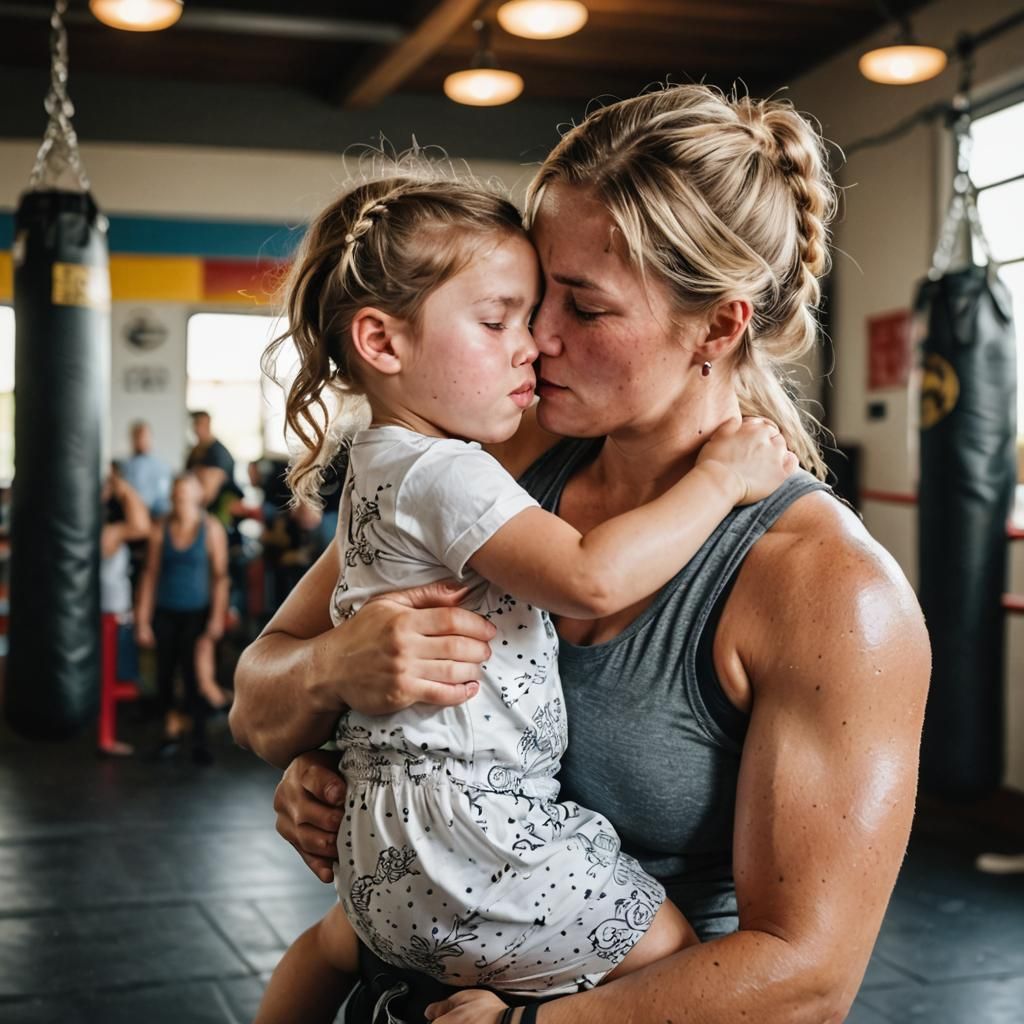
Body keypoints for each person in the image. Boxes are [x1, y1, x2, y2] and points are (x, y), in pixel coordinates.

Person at [231, 85, 931, 1023]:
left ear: (719, 327)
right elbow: (257, 696)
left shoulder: (830, 590)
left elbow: (805, 977)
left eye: (585, 309)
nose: (537, 338)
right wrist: (337, 701)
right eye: (531, 292)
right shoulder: (495, 463)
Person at [136, 472, 229, 765]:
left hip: (197, 614)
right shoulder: (160, 529)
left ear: (197, 496)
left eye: (186, 492)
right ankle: (170, 733)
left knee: (195, 678)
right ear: (172, 496)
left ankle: (198, 740)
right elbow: (149, 575)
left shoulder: (211, 528)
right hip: (165, 612)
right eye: (177, 493)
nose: (181, 498)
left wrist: (217, 618)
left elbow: (220, 578)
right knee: (164, 677)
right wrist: (141, 619)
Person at [99, 468, 151, 756]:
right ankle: (105, 739)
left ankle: (107, 735)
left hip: (115, 613)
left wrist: (118, 486)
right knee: (110, 684)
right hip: (108, 615)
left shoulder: (110, 527)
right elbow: (141, 525)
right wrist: (122, 486)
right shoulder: (107, 532)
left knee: (120, 680)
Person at [120, 420, 172, 519]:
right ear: (132, 439)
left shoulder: (162, 466)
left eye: (144, 436)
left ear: (151, 438)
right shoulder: (123, 466)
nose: (141, 440)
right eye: (137, 437)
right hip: (130, 512)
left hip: (156, 513)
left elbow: (163, 497)